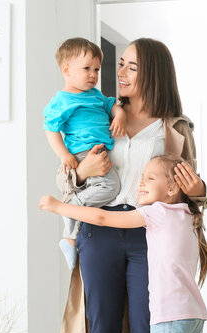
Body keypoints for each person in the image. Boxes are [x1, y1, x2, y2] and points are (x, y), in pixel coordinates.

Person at [55, 38, 207, 333]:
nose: (120, 72)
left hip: (149, 236)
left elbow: (188, 194)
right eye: (121, 63)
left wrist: (198, 192)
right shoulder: (97, 110)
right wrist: (83, 171)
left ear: (152, 74)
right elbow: (66, 177)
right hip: (99, 230)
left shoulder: (175, 128)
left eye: (131, 66)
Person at [40, 154, 207, 333]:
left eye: (150, 178)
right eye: (142, 177)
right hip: (194, 315)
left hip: (169, 317)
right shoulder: (190, 215)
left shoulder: (156, 213)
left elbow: (102, 218)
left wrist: (58, 207)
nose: (141, 182)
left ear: (173, 188)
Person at [43, 37, 126, 270]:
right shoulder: (62, 100)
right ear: (66, 70)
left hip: (98, 152)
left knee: (100, 196)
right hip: (81, 154)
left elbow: (113, 106)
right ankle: (70, 206)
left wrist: (119, 115)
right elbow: (51, 129)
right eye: (87, 69)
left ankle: (70, 237)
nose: (93, 75)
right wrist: (64, 156)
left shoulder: (95, 95)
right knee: (110, 188)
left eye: (97, 69)